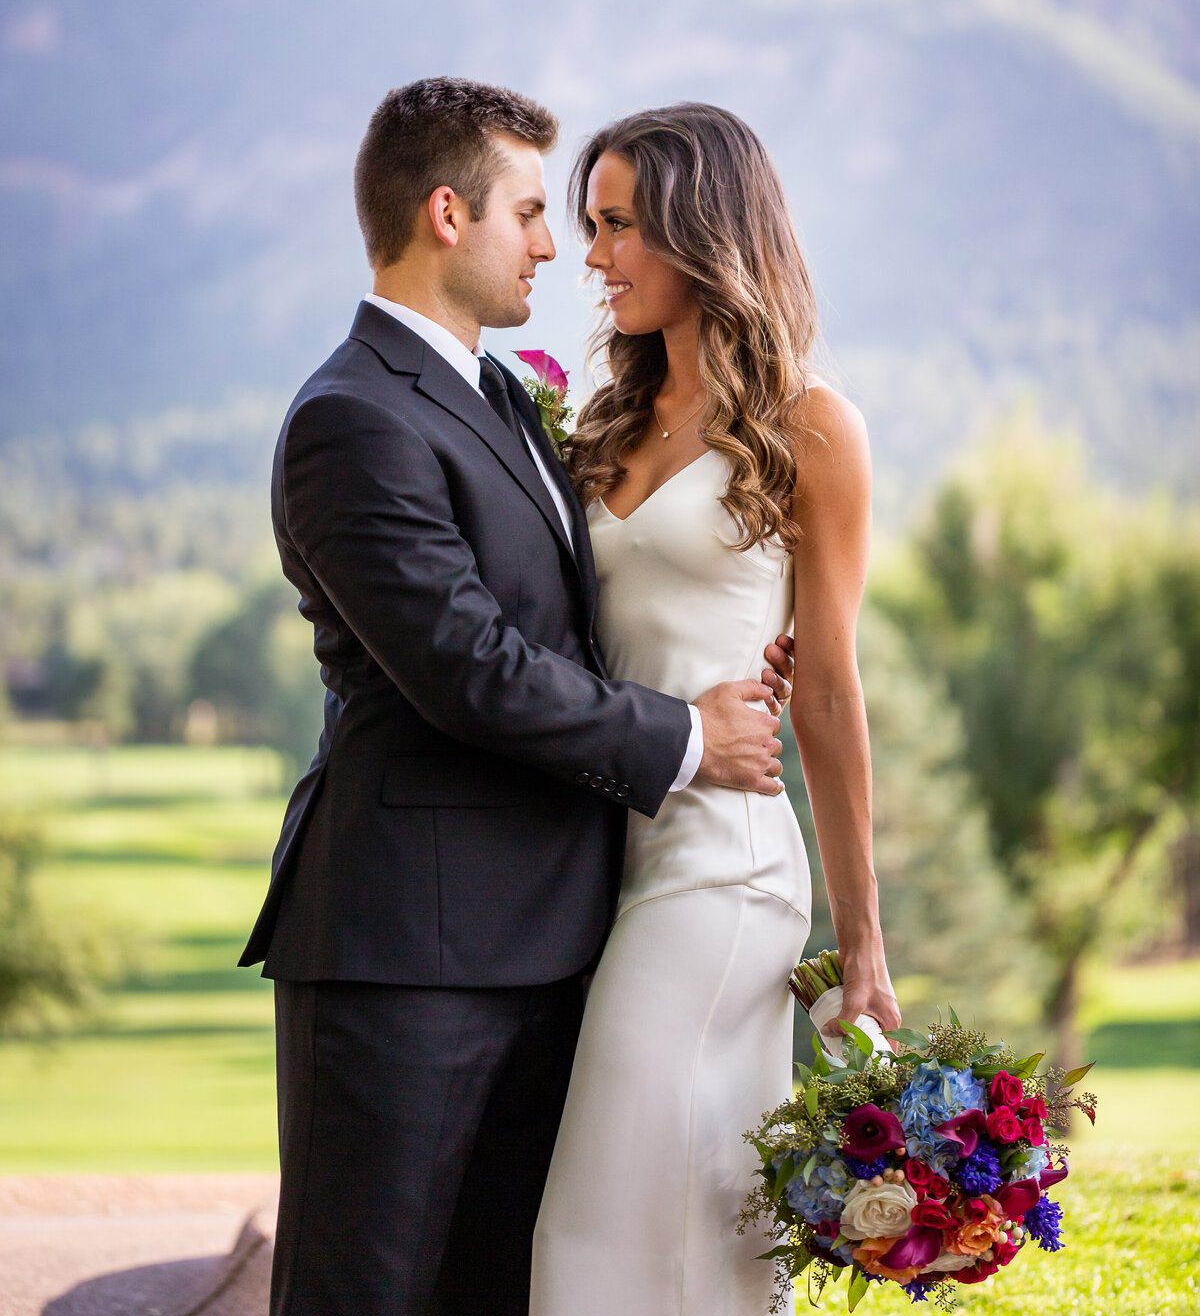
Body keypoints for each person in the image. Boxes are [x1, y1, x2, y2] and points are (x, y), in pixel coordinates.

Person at [239, 77, 796, 1316]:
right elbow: (466, 667)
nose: (556, 245)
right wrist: (688, 735)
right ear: (448, 215)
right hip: (404, 954)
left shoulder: (503, 401)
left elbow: (585, 616)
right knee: (365, 1295)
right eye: (535, 212)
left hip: (550, 946)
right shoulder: (352, 417)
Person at [531, 103, 901, 1316]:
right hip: (602, 856)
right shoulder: (603, 426)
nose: (595, 257)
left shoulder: (810, 425)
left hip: (722, 866)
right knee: (686, 1221)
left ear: (706, 228)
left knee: (592, 1226)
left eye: (621, 225)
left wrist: (863, 946)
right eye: (591, 226)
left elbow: (832, 696)